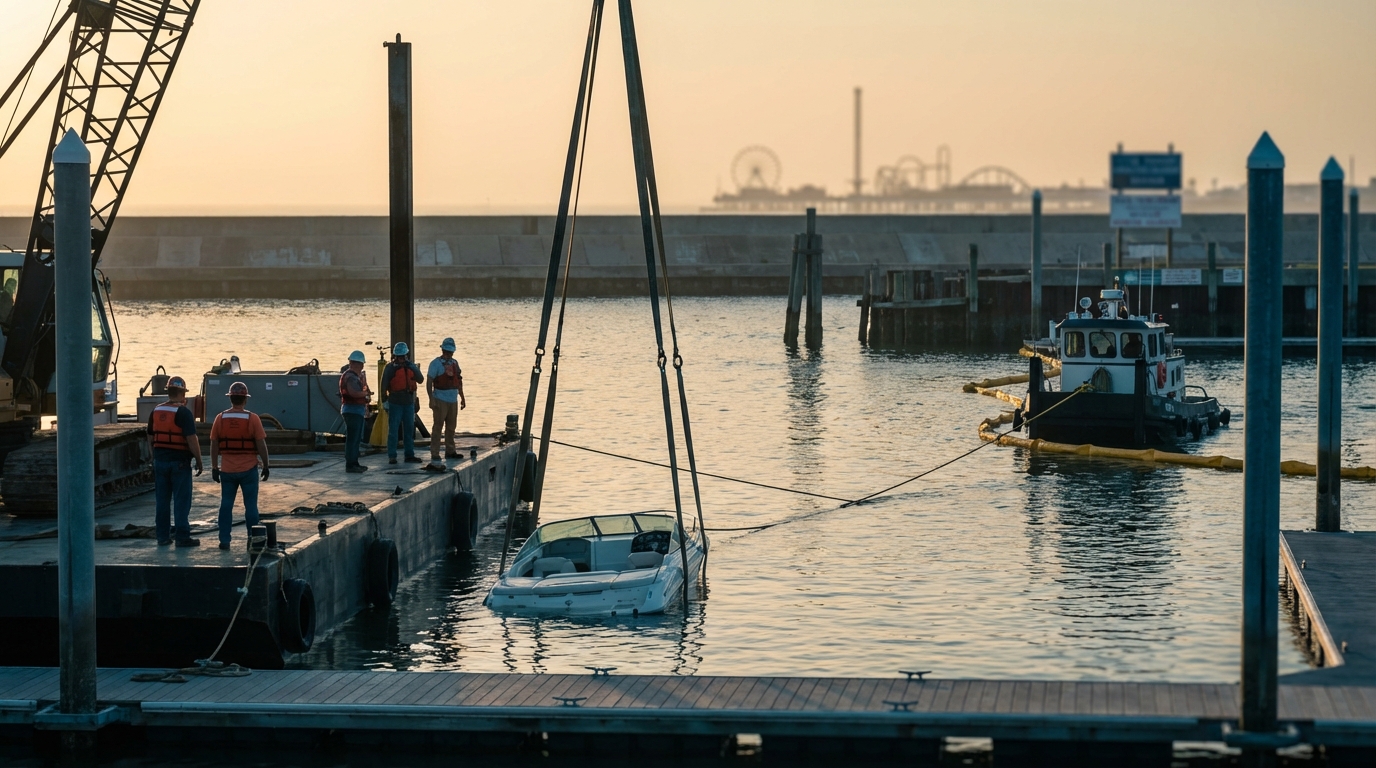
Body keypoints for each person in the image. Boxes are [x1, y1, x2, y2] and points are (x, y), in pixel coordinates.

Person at [209, 381, 269, 551]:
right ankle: (253, 540)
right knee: (251, 506)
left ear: (231, 399)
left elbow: (214, 444)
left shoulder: (220, 418)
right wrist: (266, 465)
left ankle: (224, 540)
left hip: (227, 470)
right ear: (245, 400)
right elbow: (261, 444)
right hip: (249, 469)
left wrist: (214, 467)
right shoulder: (253, 418)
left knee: (226, 505)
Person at [146, 375, 202, 547]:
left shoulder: (156, 411)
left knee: (162, 501)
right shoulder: (184, 413)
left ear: (168, 392)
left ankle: (162, 537)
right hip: (180, 463)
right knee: (181, 501)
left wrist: (154, 457)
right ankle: (182, 537)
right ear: (182, 393)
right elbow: (191, 439)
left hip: (160, 462)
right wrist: (199, 461)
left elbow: (150, 437)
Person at [381, 341, 423, 464]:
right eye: (398, 356)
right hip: (395, 402)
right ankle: (392, 456)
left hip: (409, 402)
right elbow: (383, 386)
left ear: (406, 355)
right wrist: (384, 401)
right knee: (393, 430)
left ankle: (409, 455)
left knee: (409, 430)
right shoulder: (389, 368)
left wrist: (413, 367)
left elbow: (420, 379)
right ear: (394, 356)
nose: (401, 359)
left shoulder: (411, 367)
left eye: (403, 356)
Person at [426, 337, 466, 461]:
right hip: (440, 399)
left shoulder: (455, 363)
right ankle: (435, 453)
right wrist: (431, 399)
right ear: (443, 350)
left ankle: (450, 450)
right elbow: (429, 381)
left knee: (451, 427)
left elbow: (458, 381)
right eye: (447, 352)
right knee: (437, 426)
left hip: (453, 400)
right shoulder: (435, 364)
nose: (449, 354)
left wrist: (462, 397)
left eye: (451, 352)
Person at [339, 350, 372, 473]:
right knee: (353, 439)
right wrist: (366, 394)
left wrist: (367, 395)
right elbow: (353, 392)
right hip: (352, 411)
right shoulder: (351, 377)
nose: (360, 366)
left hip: (358, 410)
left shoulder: (358, 376)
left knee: (356, 438)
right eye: (358, 363)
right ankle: (351, 464)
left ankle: (355, 462)